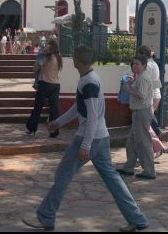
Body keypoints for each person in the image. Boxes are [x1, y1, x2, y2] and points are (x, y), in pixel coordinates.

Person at [22, 44, 149, 232]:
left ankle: (46, 217)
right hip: (101, 137)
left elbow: (91, 117)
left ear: (77, 60)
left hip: (88, 138)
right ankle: (138, 219)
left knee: (63, 175)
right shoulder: (89, 78)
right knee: (113, 180)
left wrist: (85, 146)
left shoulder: (88, 82)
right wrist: (59, 122)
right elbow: (79, 107)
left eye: (73, 56)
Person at [117, 55, 156, 180]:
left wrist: (128, 88)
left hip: (142, 112)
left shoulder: (143, 78)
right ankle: (129, 167)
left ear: (144, 65)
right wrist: (131, 84)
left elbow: (141, 95)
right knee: (131, 141)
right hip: (138, 111)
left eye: (137, 64)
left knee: (143, 142)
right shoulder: (139, 77)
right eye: (133, 63)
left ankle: (149, 170)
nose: (134, 66)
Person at [26, 39, 63, 137]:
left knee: (38, 107)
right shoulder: (59, 57)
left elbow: (35, 68)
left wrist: (40, 58)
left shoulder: (46, 57)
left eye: (47, 45)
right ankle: (54, 131)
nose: (45, 46)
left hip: (44, 84)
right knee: (54, 110)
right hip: (56, 85)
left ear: (50, 46)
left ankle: (31, 128)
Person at [137, 46, 163, 137]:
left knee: (148, 116)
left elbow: (145, 81)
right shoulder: (154, 64)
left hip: (150, 95)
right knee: (149, 116)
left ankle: (157, 131)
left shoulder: (147, 65)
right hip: (156, 93)